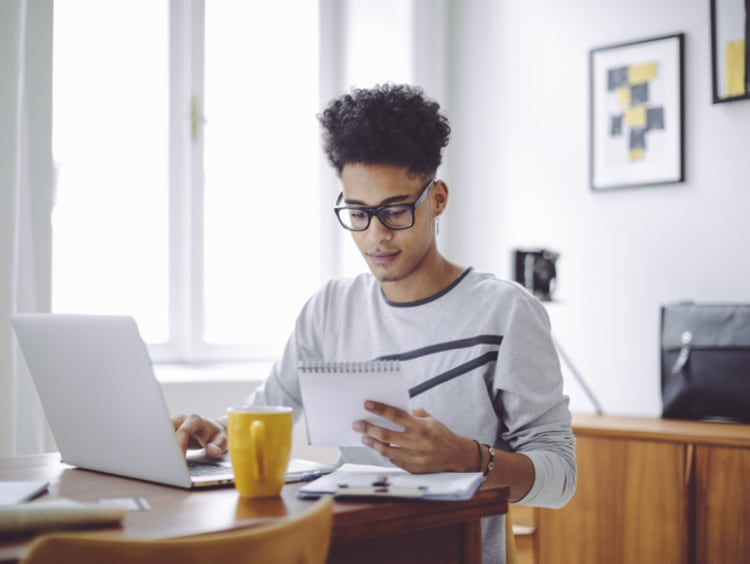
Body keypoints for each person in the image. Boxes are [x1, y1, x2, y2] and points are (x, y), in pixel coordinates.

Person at [172, 83, 576, 563]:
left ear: (438, 198)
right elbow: (265, 417)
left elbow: (560, 479)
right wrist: (213, 434)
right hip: (348, 548)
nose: (376, 235)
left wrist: (466, 458)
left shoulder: (505, 312)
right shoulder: (329, 308)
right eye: (358, 213)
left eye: (395, 210)